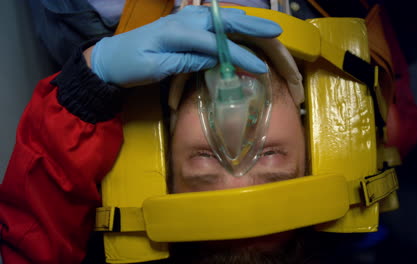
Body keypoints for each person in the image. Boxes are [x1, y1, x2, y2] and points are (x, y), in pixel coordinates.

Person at [0, 5, 290, 264]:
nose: (233, 136)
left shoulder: (87, 18)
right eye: (269, 156)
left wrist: (89, 84)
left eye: (204, 159)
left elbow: (35, 244)